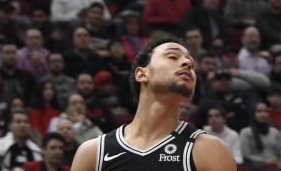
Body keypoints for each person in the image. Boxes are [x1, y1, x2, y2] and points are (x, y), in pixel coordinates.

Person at [68, 36, 235, 171]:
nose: (187, 64)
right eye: (172, 56)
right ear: (142, 74)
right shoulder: (93, 152)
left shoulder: (209, 150)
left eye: (191, 64)